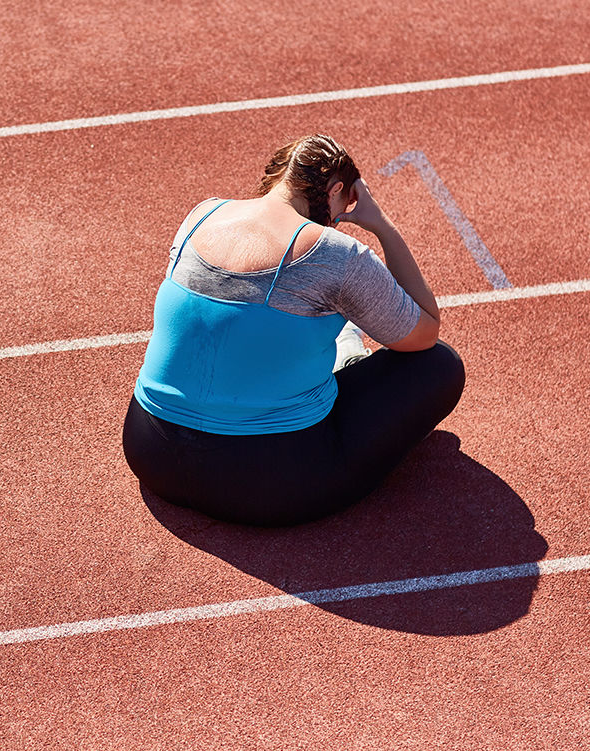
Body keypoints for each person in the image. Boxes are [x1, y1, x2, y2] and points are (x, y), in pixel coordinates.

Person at [122, 133, 465, 526]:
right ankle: (343, 359)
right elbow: (424, 331)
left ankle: (331, 357)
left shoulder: (201, 215)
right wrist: (381, 226)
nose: (339, 218)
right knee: (438, 366)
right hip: (269, 483)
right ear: (336, 190)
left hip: (151, 452)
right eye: (345, 203)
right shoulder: (337, 254)